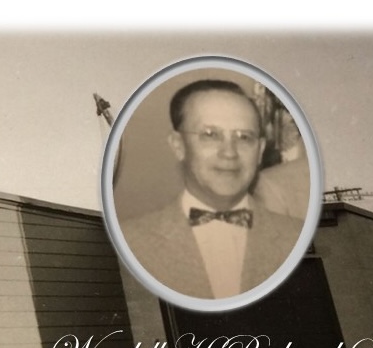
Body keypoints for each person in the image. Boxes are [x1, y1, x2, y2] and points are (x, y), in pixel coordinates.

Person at [118, 79, 304, 300]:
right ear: (178, 145)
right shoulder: (128, 244)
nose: (229, 153)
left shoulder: (300, 238)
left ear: (260, 150)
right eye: (210, 135)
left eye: (244, 137)